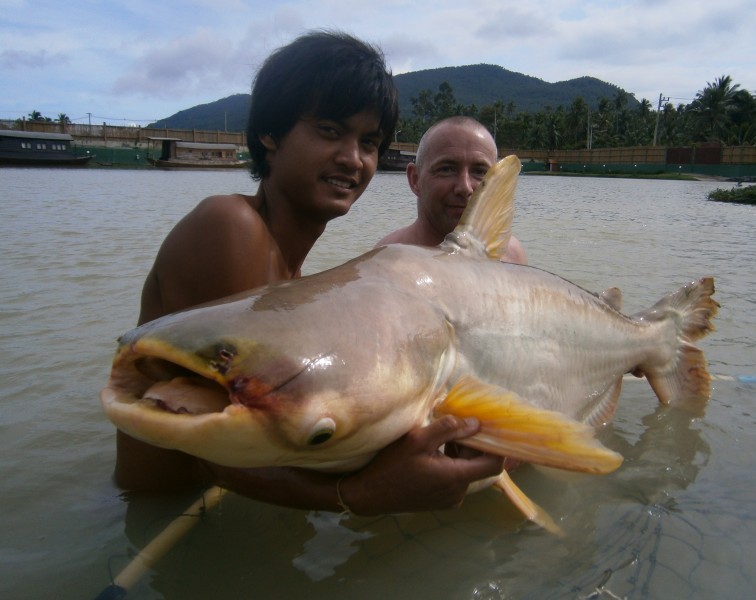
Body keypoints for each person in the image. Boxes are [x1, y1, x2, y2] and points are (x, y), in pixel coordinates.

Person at [114, 31, 505, 516]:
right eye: (329, 130)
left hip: (227, 510)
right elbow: (218, 450)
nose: (352, 159)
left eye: (369, 142)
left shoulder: (293, 269)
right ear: (270, 134)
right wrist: (359, 496)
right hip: (167, 517)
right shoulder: (230, 228)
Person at [375, 116, 528, 265]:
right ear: (415, 179)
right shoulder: (385, 262)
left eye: (480, 172)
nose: (465, 187)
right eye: (447, 169)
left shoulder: (511, 256)